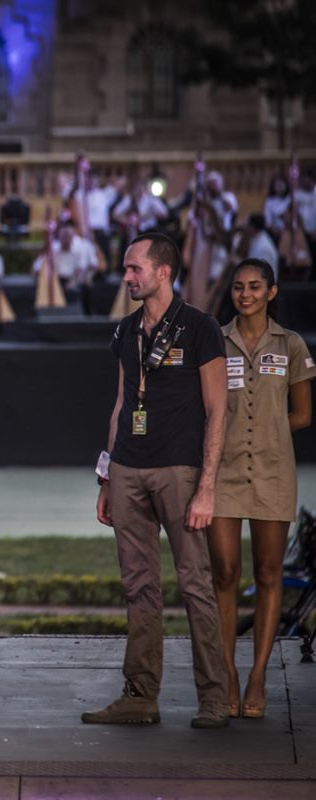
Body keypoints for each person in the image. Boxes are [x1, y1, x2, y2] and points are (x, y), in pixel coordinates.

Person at [87, 232, 230, 729]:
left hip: (179, 470)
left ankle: (215, 697)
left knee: (196, 585)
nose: (126, 276)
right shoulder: (126, 330)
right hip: (127, 469)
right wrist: (106, 477)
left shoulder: (200, 328)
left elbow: (218, 411)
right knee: (139, 587)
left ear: (163, 271)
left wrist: (207, 486)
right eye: (126, 269)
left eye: (134, 269)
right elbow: (122, 404)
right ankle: (140, 696)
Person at [208, 258, 315, 720]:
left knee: (269, 574)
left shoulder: (290, 344)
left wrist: (268, 435)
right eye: (238, 287)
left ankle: (257, 674)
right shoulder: (215, 340)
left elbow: (303, 414)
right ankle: (227, 672)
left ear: (272, 292)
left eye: (255, 287)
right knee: (225, 573)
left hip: (273, 474)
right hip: (223, 474)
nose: (245, 294)